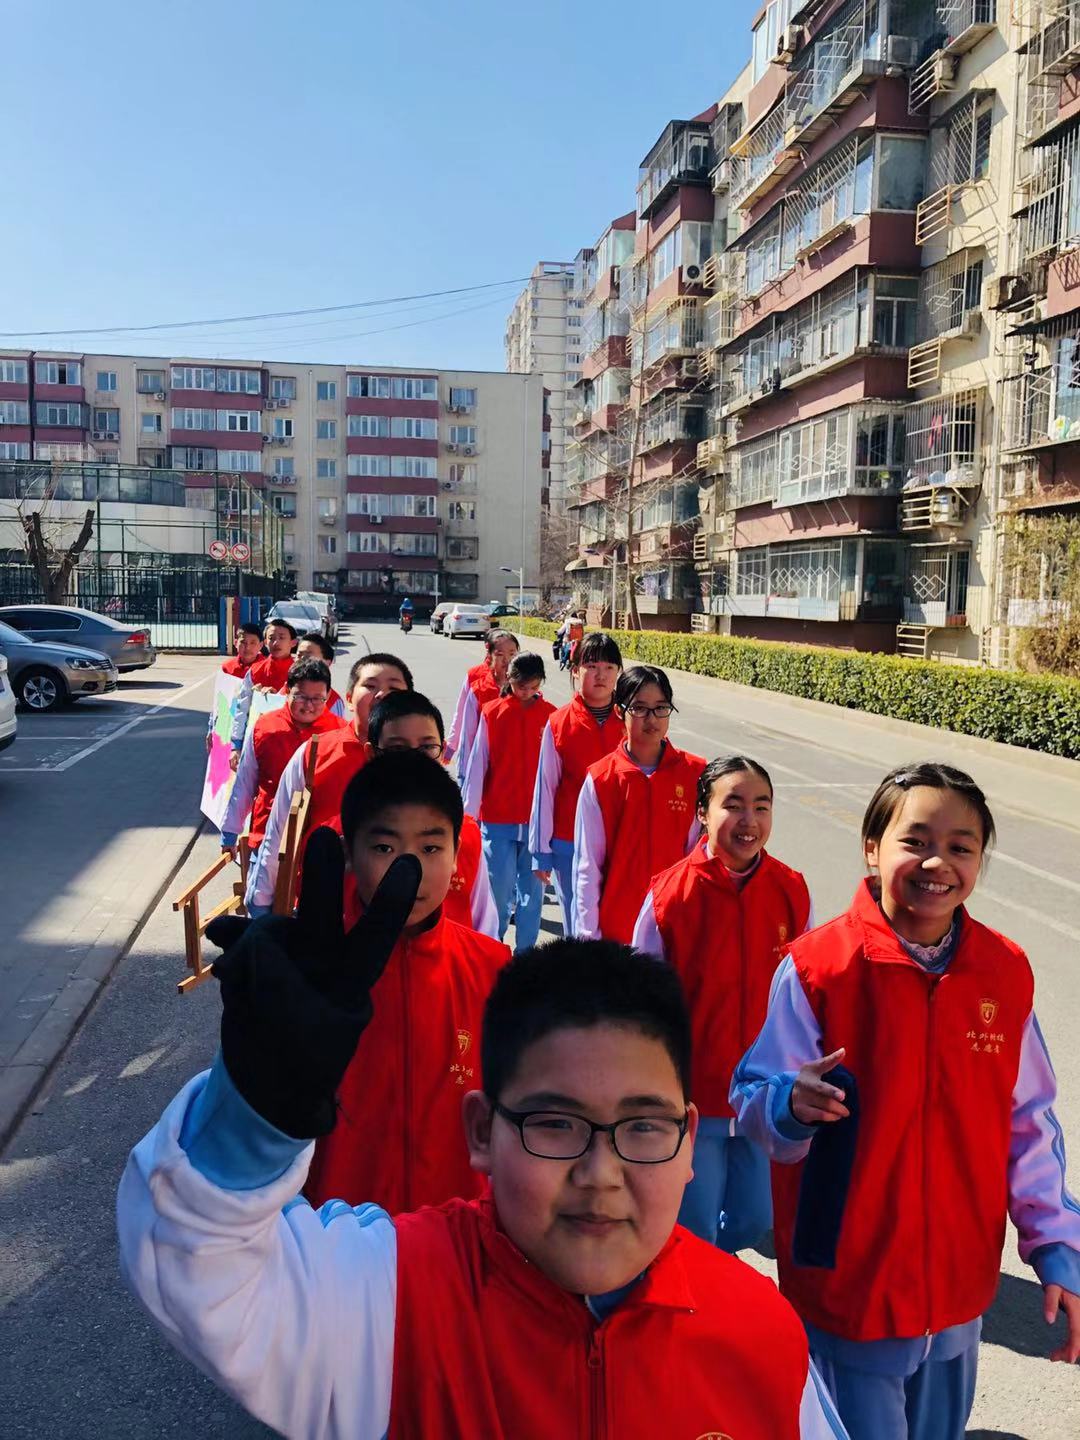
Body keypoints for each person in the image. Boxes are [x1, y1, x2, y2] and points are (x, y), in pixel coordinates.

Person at [118, 903, 843, 1437]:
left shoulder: (761, 1331)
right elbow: (201, 1267)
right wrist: (254, 1111)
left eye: (643, 1127)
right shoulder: (391, 1300)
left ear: (687, 1142)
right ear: (481, 1132)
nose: (600, 1173)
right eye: (555, 1123)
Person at [732, 762, 1080, 1440]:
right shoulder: (819, 967)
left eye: (960, 846)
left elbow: (1029, 1123)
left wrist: (1055, 1243)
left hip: (957, 1287)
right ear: (872, 847)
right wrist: (788, 1105)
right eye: (915, 841)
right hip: (849, 1286)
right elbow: (750, 1097)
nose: (937, 862)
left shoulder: (1002, 972)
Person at [632, 755, 812, 1254]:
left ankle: (718, 1273)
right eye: (733, 805)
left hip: (764, 1095)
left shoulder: (791, 889)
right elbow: (640, 1002)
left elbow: (806, 995)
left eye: (762, 806)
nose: (749, 820)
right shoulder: (670, 896)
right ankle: (702, 1292)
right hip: (695, 1096)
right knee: (697, 1228)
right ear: (702, 813)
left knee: (755, 1218)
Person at [244, 653, 413, 914]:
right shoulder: (314, 753)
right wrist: (262, 899)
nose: (381, 695)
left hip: (396, 911)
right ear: (348, 698)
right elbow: (279, 830)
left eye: (394, 688)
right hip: (318, 906)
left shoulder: (419, 762)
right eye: (370, 685)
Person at [338, 689, 498, 938]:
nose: (414, 760)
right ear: (371, 753)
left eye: (427, 747)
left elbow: (485, 925)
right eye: (397, 748)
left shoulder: (467, 834)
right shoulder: (343, 832)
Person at [572, 665, 705, 943]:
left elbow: (699, 856)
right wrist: (588, 937)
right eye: (639, 708)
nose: (651, 718)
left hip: (675, 925)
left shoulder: (694, 773)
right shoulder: (602, 778)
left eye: (661, 708)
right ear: (619, 711)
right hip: (618, 928)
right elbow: (588, 865)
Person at [530, 632, 624, 933]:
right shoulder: (559, 723)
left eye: (609, 667)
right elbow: (545, 787)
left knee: (617, 925)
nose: (601, 675)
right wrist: (540, 850)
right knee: (577, 925)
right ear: (575, 671)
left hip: (621, 841)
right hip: (568, 844)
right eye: (592, 666)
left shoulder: (631, 720)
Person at [462, 652, 555, 953]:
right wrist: (469, 816)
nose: (526, 692)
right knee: (498, 894)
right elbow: (478, 765)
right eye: (520, 686)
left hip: (537, 823)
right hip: (497, 818)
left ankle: (526, 955)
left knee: (533, 895)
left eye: (533, 686)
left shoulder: (551, 716)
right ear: (510, 680)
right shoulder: (492, 713)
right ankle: (495, 949)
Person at [219, 657, 346, 858]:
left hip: (321, 844)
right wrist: (230, 832)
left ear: (328, 695)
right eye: (301, 697)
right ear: (287, 690)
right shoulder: (265, 728)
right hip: (267, 836)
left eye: (317, 698)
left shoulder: (340, 732)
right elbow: (245, 782)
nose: (309, 705)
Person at [228, 618, 299, 769]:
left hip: (289, 744)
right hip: (256, 741)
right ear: (265, 642)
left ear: (293, 642)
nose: (276, 642)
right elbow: (242, 709)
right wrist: (236, 745)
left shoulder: (300, 672)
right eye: (271, 638)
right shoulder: (255, 671)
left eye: (282, 637)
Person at [444, 629, 519, 769]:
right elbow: (461, 714)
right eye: (500, 654)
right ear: (489, 654)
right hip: (477, 755)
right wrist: (452, 745)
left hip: (509, 759)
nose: (507, 660)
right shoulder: (475, 678)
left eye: (512, 654)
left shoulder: (523, 685)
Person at [205, 622, 263, 753]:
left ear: (261, 645)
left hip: (253, 727)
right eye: (243, 642)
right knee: (222, 762)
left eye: (253, 643)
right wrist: (211, 728)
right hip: (226, 725)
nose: (247, 647)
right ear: (236, 643)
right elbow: (219, 700)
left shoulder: (264, 668)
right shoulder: (227, 668)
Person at [286, 633, 347, 718]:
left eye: (308, 656)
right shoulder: (285, 690)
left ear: (327, 663)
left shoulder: (334, 702)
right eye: (299, 655)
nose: (302, 660)